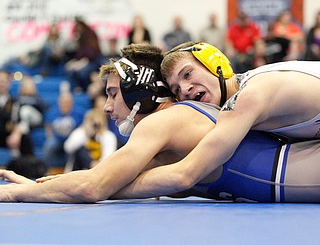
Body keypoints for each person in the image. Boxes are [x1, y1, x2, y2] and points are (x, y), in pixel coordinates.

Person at [1, 44, 320, 202]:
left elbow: (96, 185)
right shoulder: (183, 118)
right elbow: (107, 179)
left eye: (113, 93)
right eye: (177, 85)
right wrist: (43, 185)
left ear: (138, 89)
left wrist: (17, 195)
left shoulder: (162, 123)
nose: (108, 107)